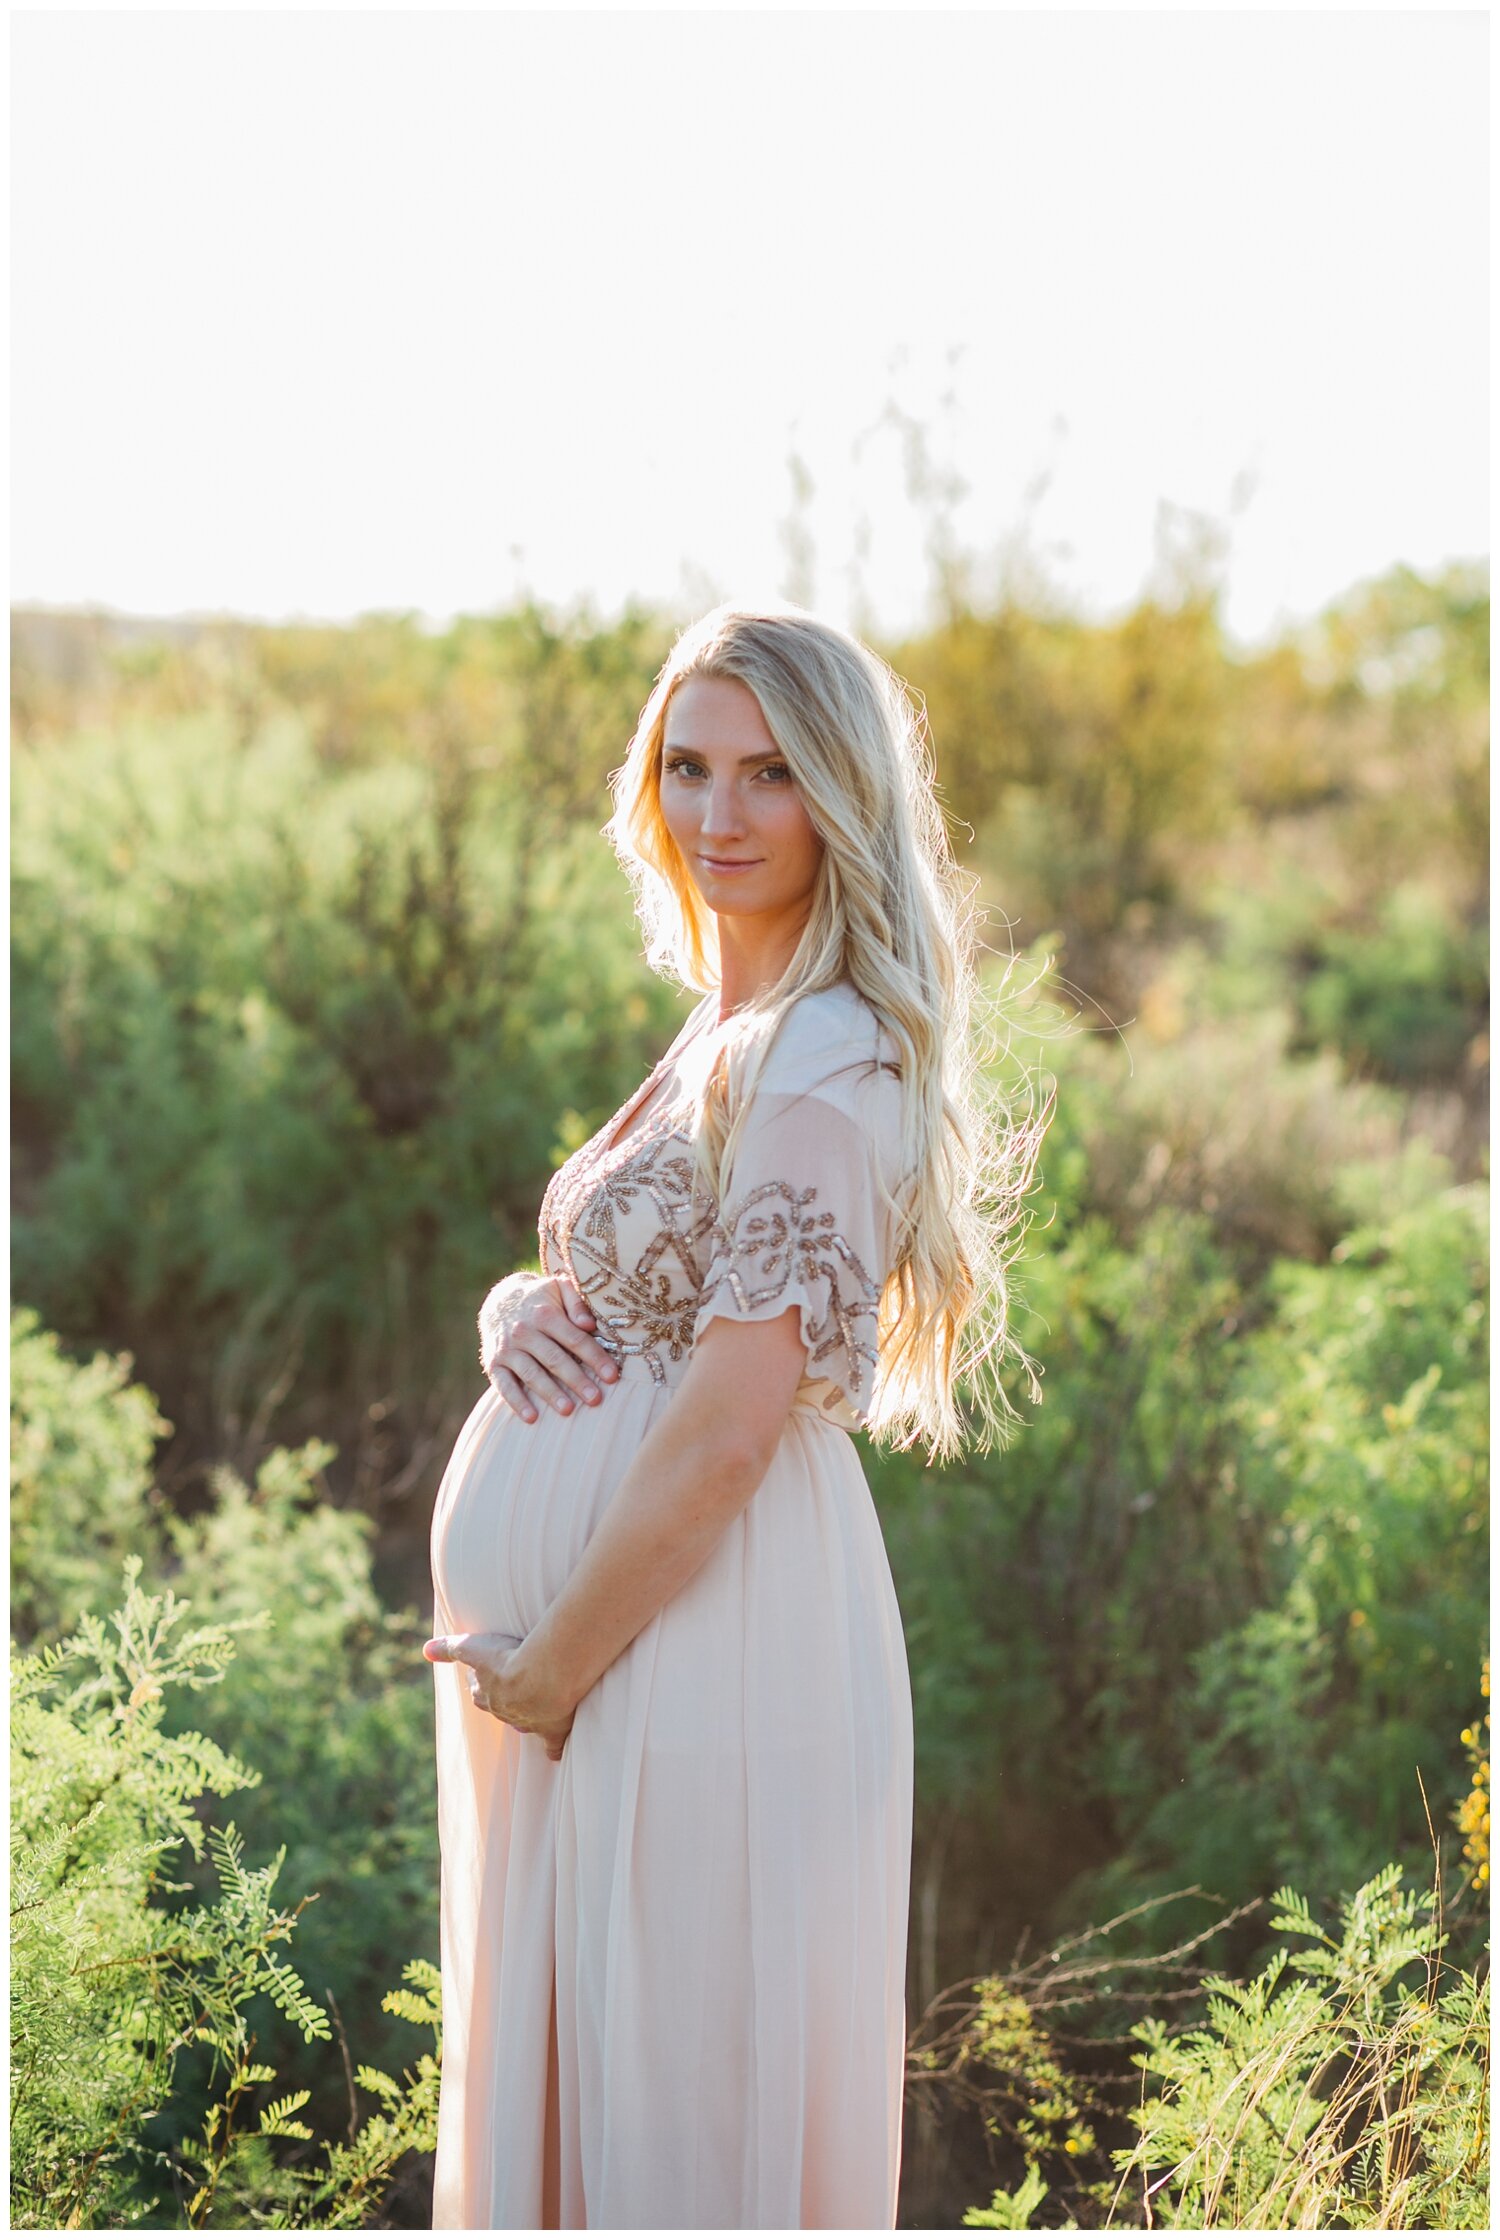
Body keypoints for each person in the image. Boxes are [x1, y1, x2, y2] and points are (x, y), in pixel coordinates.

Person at [423, 602, 1048, 2229]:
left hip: (692, 1642)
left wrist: (557, 1664)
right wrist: (522, 1304)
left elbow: (724, 1433)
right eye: (688, 767)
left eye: (770, 775)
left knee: (681, 2115)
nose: (720, 815)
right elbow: (666, 1297)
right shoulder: (734, 1029)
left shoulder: (827, 1054)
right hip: (618, 1653)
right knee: (615, 2096)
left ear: (843, 795)